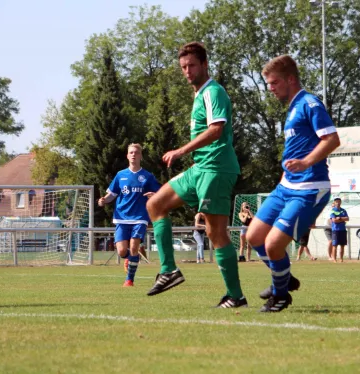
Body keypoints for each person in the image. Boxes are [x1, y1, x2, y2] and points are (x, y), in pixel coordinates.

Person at [145, 42, 247, 308]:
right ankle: (169, 271)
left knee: (216, 233)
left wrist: (180, 151)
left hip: (216, 169)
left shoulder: (213, 92)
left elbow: (216, 130)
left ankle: (236, 297)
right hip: (200, 168)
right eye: (183, 67)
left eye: (191, 65)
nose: (187, 71)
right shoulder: (200, 94)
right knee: (155, 204)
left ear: (204, 65)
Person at [246, 55, 340, 313]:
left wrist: (306, 162)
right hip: (286, 187)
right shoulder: (292, 107)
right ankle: (284, 279)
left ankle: (280, 295)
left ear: (290, 79)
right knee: (253, 236)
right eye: (269, 84)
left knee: (273, 245)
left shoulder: (310, 103)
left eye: (274, 83)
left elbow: (332, 139)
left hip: (310, 187)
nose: (271, 88)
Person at [98, 143, 160, 287]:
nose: (133, 154)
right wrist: (103, 200)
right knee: (121, 251)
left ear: (140, 156)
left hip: (140, 217)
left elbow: (159, 193)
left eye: (136, 152)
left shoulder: (147, 176)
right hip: (121, 217)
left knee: (133, 247)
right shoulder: (121, 175)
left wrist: (154, 195)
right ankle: (132, 258)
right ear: (127, 156)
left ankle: (129, 279)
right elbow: (111, 194)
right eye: (131, 152)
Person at [330, 197, 349, 262]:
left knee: (342, 245)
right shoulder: (333, 211)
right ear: (334, 203)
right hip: (335, 230)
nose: (338, 203)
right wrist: (341, 219)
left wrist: (340, 218)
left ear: (341, 202)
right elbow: (334, 220)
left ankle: (341, 259)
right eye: (336, 202)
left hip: (342, 229)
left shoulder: (343, 210)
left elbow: (347, 218)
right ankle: (334, 259)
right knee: (335, 245)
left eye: (339, 202)